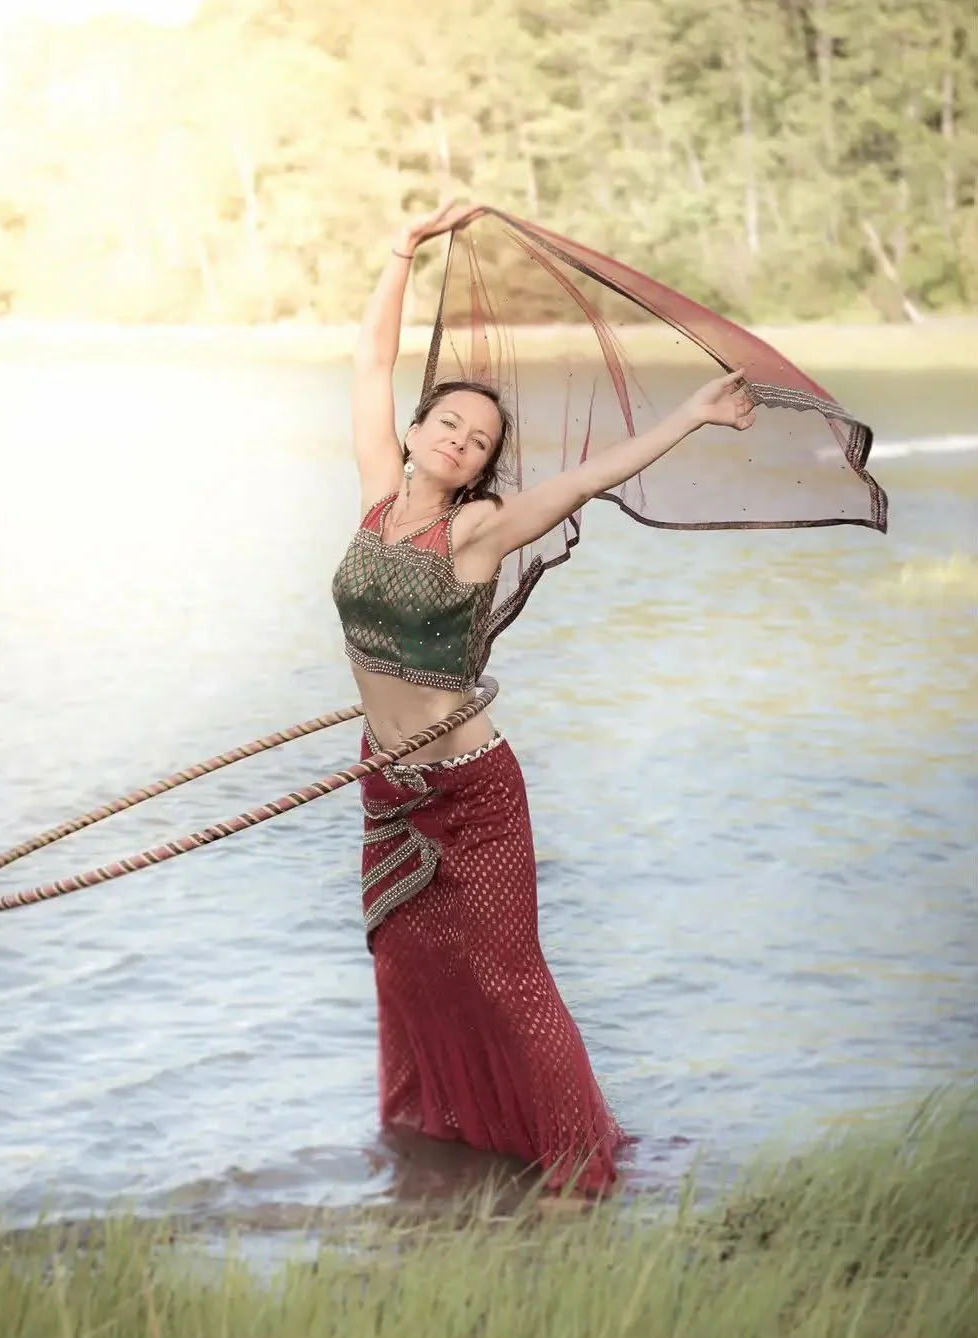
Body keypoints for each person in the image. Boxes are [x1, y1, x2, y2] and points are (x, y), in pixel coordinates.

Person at [331, 201, 756, 1197]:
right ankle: (446, 1154)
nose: (459, 444)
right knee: (410, 976)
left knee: (512, 985)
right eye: (447, 424)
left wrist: (688, 416)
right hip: (385, 791)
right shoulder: (372, 493)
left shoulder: (475, 535)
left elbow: (582, 481)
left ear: (482, 466)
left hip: (471, 795)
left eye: (478, 442)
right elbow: (364, 366)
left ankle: (577, 1172)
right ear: (418, 429)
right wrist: (399, 252)